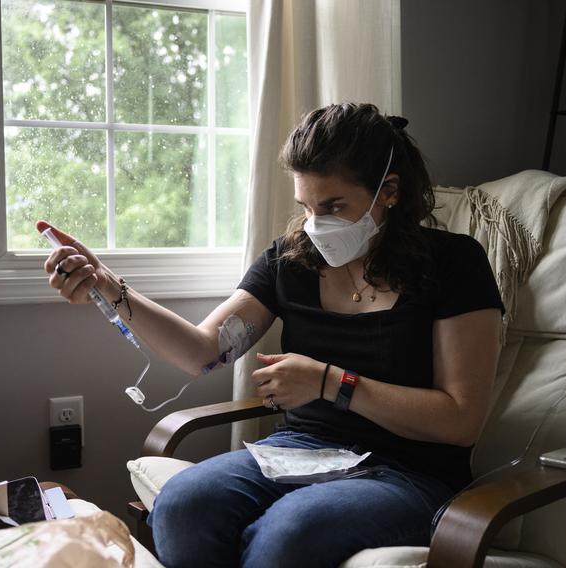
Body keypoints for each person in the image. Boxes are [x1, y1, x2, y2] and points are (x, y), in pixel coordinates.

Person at [39, 102, 504, 568]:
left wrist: (330, 383)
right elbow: (203, 352)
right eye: (306, 206)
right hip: (302, 452)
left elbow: (461, 421)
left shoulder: (453, 265)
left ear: (389, 191)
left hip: (412, 474)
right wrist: (105, 281)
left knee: (287, 533)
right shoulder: (292, 261)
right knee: (184, 504)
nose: (317, 225)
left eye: (334, 206)